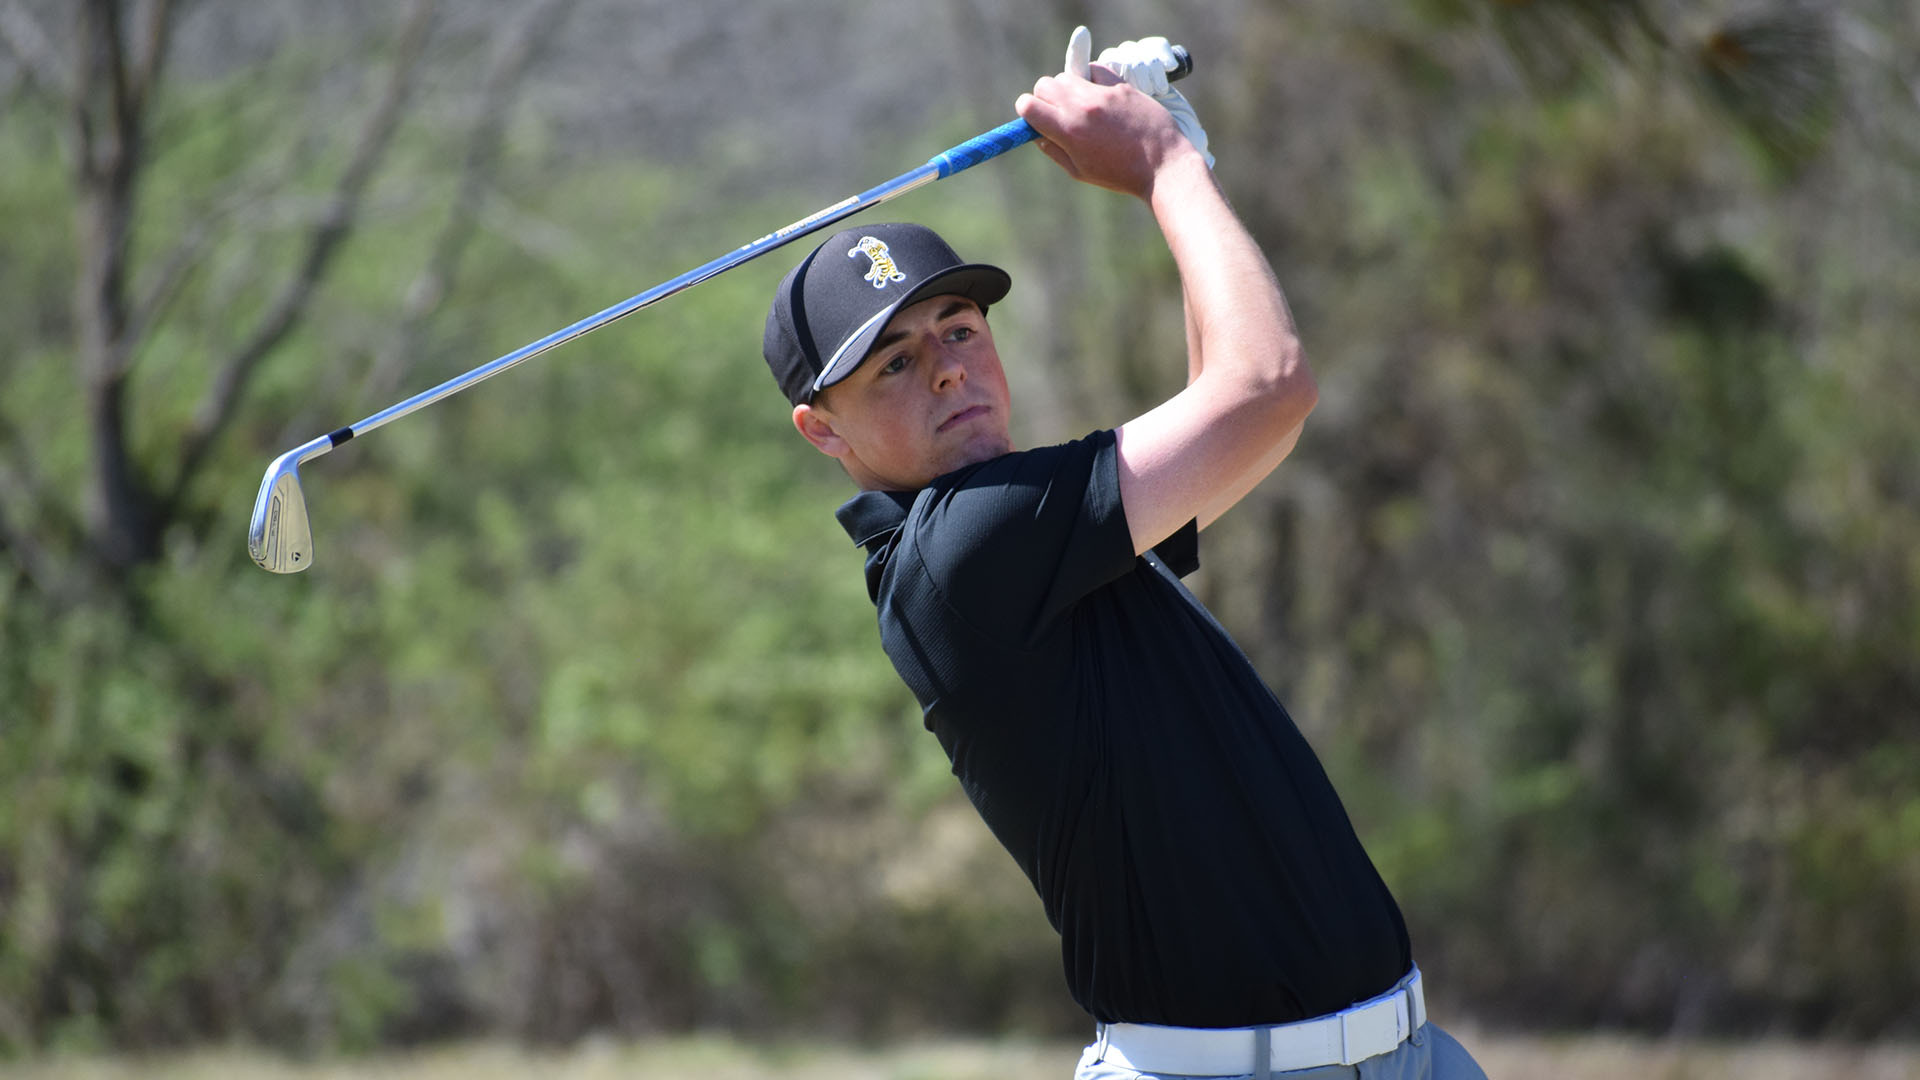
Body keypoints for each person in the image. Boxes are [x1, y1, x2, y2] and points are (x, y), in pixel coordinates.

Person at [761, 27, 1488, 1080]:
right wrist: (1164, 168)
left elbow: (1225, 417)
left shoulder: (1021, 535)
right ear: (823, 431)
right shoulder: (967, 549)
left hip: (1406, 1051)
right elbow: (1270, 386)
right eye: (894, 365)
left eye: (960, 329)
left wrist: (1182, 176)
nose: (950, 372)